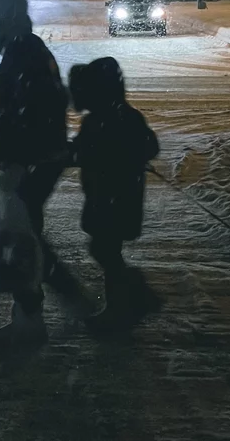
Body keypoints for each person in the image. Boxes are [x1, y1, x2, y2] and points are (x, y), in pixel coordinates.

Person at [0, 0, 73, 350]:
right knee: (25, 237)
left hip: (31, 162)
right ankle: (35, 312)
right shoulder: (23, 47)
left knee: (23, 240)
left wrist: (23, 160)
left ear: (6, 16)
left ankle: (35, 318)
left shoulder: (24, 51)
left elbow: (35, 111)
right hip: (32, 160)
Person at [68, 57, 160, 328]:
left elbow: (83, 153)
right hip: (117, 195)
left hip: (111, 196)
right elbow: (148, 146)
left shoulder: (105, 120)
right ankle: (127, 300)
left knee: (105, 249)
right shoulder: (122, 115)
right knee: (107, 249)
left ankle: (126, 303)